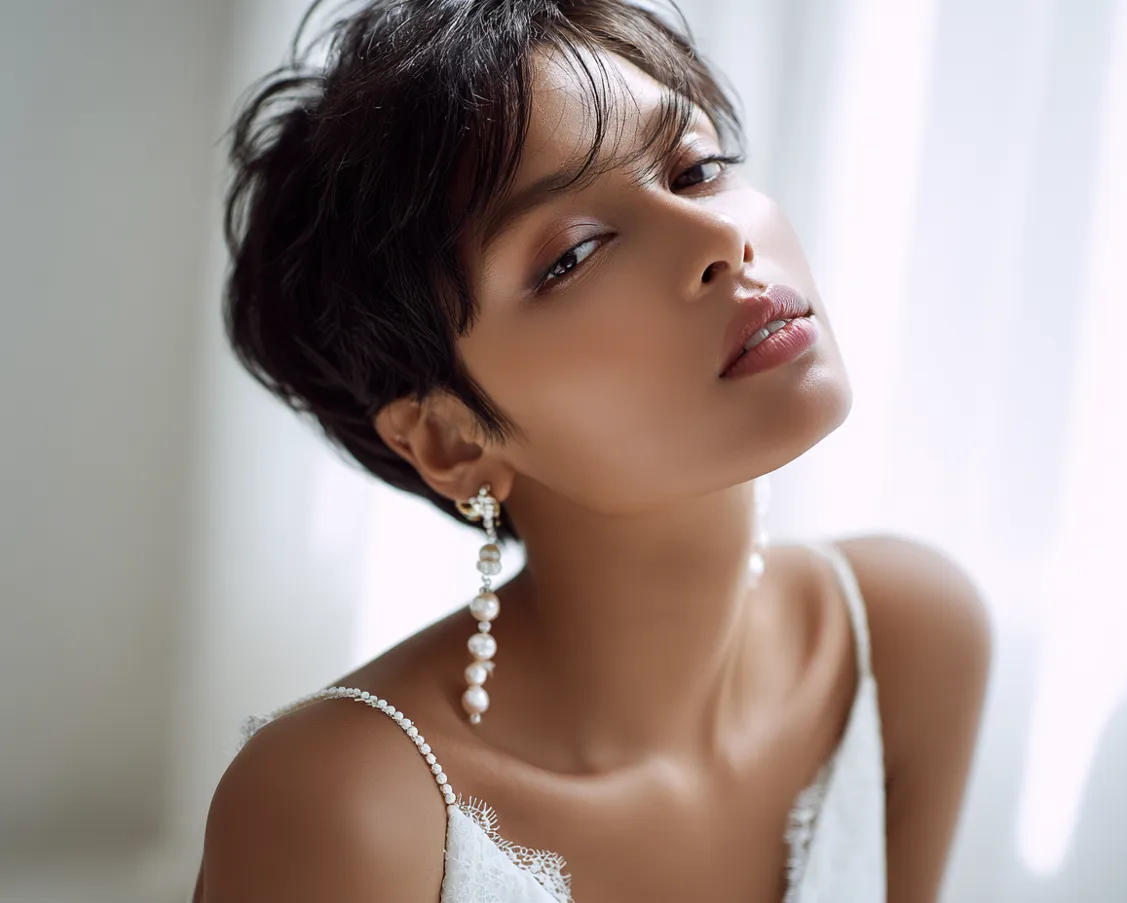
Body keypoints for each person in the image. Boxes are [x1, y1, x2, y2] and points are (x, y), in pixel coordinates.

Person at [194, 1, 992, 900]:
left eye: (695, 169)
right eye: (574, 254)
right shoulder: (345, 805)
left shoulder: (903, 640)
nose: (722, 240)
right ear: (453, 440)